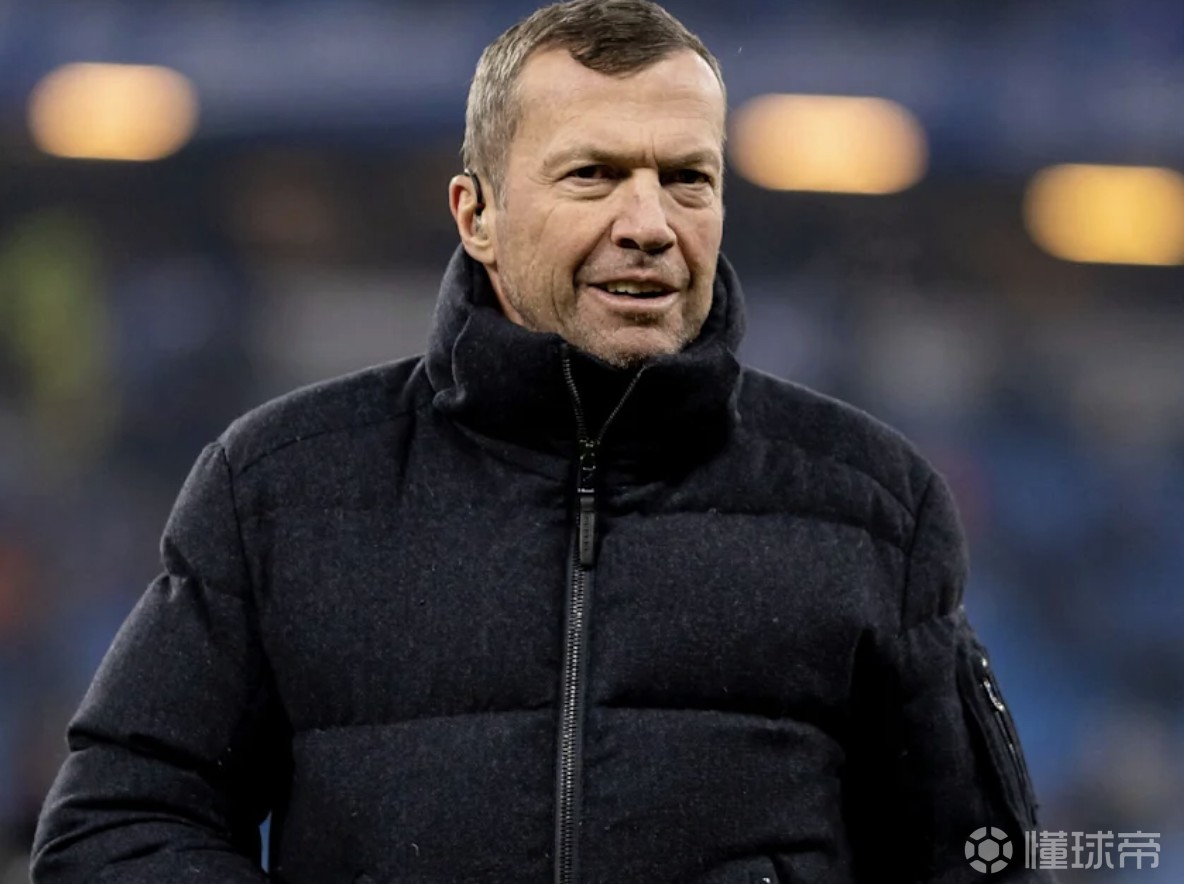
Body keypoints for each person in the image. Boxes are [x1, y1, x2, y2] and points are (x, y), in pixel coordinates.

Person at [31, 1, 1049, 882]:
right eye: (594, 175)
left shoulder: (873, 504)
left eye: (687, 179)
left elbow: (980, 857)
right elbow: (117, 824)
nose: (649, 222)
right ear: (477, 214)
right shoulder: (279, 488)